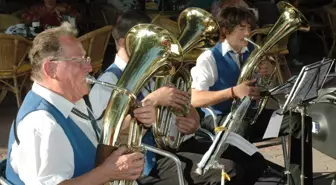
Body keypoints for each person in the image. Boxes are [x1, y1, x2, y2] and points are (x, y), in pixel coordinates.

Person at [89, 10, 267, 185]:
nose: (154, 48)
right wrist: (153, 100)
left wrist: (192, 120)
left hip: (175, 146)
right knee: (229, 170)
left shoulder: (154, 73)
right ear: (123, 42)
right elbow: (105, 135)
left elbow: (187, 105)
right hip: (146, 162)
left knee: (252, 160)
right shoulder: (107, 83)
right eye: (147, 42)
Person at [5, 22, 157, 185]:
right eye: (78, 61)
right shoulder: (41, 123)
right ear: (51, 69)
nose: (89, 67)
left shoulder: (70, 100)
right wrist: (106, 173)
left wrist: (138, 120)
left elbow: (98, 138)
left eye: (86, 59)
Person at [191, 7, 312, 185]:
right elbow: (195, 99)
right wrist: (232, 92)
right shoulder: (208, 58)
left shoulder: (252, 54)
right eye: (242, 29)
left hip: (250, 116)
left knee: (300, 121)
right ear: (226, 31)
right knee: (241, 126)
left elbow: (271, 90)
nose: (248, 33)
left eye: (249, 28)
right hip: (218, 120)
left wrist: (269, 75)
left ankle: (299, 181)